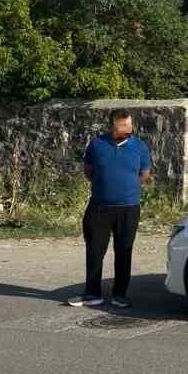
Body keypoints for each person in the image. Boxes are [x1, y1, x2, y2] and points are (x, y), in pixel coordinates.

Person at [68, 109, 152, 309]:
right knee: (95, 251)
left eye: (130, 125)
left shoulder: (139, 147)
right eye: (123, 125)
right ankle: (92, 294)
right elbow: (89, 172)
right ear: (112, 126)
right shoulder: (97, 145)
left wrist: (126, 188)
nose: (128, 129)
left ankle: (120, 295)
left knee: (124, 251)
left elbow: (145, 174)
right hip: (99, 207)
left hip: (129, 208)